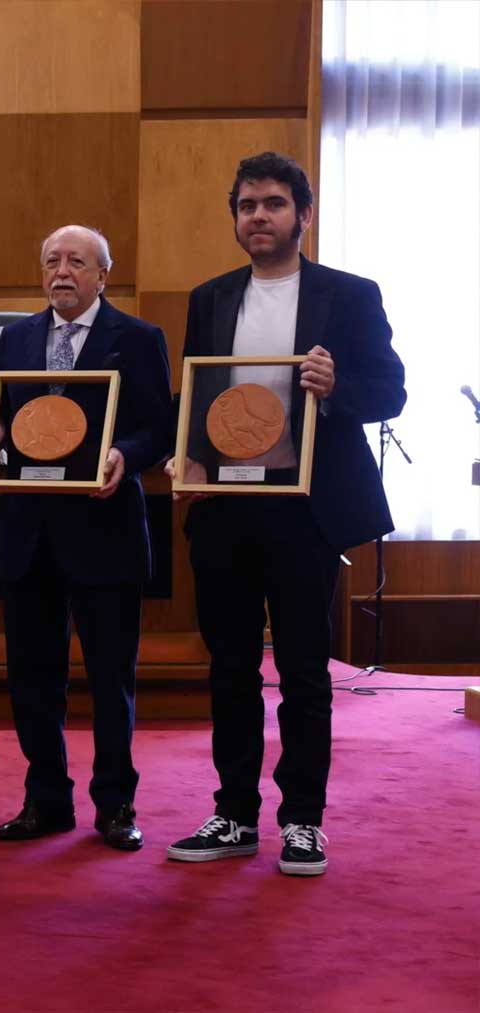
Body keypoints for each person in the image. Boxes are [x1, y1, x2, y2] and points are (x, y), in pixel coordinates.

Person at [165, 152, 405, 876]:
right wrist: (187, 455)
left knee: (303, 668)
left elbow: (389, 391)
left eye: (273, 203)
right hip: (227, 506)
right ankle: (233, 812)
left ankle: (303, 818)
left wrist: (335, 388)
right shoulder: (209, 297)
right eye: (246, 205)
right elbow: (195, 398)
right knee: (231, 666)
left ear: (304, 214)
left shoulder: (349, 294)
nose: (258, 216)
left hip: (307, 509)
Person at [0, 226, 173, 852]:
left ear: (102, 275)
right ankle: (46, 799)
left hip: (104, 526)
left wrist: (123, 452)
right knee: (34, 677)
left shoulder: (138, 339)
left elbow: (158, 428)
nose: (62, 272)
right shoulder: (16, 337)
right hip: (28, 531)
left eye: (76, 262)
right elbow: (0, 416)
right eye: (51, 261)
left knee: (110, 677)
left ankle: (116, 804)